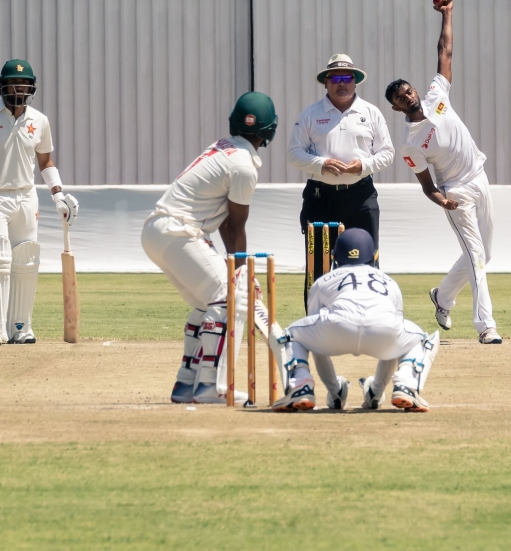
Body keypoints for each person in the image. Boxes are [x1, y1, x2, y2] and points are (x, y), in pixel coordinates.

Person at [141, 92, 280, 404]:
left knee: (209, 305)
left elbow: (224, 224)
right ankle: (212, 387)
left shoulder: (222, 147)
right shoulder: (244, 166)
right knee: (233, 297)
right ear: (270, 131)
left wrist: (241, 270)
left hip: (157, 230)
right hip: (180, 231)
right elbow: (235, 225)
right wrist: (244, 273)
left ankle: (186, 384)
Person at [385, 0, 501, 344]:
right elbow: (426, 185)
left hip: (479, 178)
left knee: (486, 253)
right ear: (395, 108)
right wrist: (443, 201)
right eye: (400, 99)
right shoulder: (411, 143)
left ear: (416, 90)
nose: (407, 97)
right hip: (457, 192)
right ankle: (486, 326)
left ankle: (443, 297)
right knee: (477, 255)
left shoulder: (437, 94)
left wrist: (447, 14)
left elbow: (445, 51)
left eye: (408, 91)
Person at [287, 53, 395, 404]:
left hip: (361, 195)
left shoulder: (371, 113)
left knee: (369, 265)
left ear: (356, 81)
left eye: (348, 77)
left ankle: (375, 332)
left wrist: (362, 164)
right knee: (318, 272)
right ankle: (317, 345)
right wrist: (321, 163)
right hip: (320, 196)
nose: (342, 82)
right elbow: (293, 153)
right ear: (325, 82)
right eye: (336, 77)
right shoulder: (310, 114)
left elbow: (388, 152)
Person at [0, 59, 78, 345]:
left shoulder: (39, 121)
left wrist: (57, 193)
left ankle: (21, 326)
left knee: (27, 258)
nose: (18, 88)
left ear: (31, 87)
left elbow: (45, 160)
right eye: (12, 83)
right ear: (2, 86)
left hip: (26, 197)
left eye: (23, 84)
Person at [267, 228, 439, 413]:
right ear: (375, 256)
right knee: (422, 339)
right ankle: (405, 385)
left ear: (334, 257)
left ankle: (301, 386)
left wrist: (334, 390)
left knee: (291, 336)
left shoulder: (323, 281)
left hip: (336, 330)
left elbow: (314, 329)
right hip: (383, 332)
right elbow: (396, 334)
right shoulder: (389, 282)